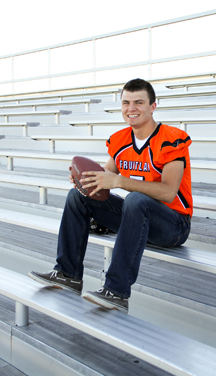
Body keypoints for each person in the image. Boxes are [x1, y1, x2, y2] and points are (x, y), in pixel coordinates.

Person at [29, 78, 193, 313]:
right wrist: (85, 180)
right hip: (136, 218)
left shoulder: (170, 138)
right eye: (126, 103)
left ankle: (116, 291)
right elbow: (105, 177)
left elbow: (168, 192)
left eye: (139, 102)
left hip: (173, 226)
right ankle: (68, 273)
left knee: (135, 200)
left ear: (153, 106)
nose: (131, 108)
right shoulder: (121, 140)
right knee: (77, 196)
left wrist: (121, 182)